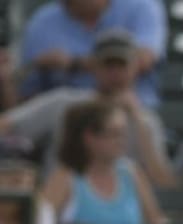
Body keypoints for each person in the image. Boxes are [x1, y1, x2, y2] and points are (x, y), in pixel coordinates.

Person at [0, 30, 172, 186]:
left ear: (135, 68)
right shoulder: (65, 102)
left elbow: (163, 183)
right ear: (94, 66)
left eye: (121, 65)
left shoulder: (146, 121)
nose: (115, 73)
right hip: (58, 206)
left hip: (122, 213)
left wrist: (136, 118)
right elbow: (7, 125)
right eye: (108, 65)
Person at [41, 100, 164, 224]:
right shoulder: (64, 178)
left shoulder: (132, 172)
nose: (122, 141)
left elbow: (156, 223)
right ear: (89, 138)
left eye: (123, 133)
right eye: (114, 134)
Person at [19, 0, 165, 107]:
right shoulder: (42, 22)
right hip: (67, 114)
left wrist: (74, 64)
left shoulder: (140, 5)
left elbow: (144, 59)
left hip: (134, 107)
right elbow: (26, 91)